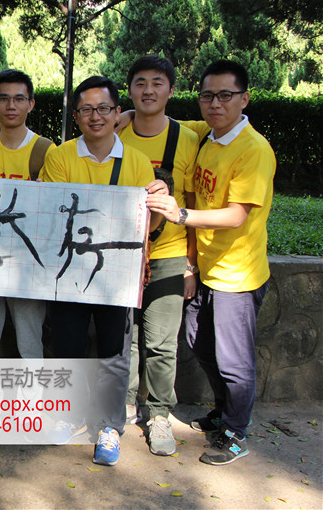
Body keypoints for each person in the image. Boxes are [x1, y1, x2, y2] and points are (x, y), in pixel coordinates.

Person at [146, 60, 276, 466]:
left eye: (226, 96)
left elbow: (237, 215)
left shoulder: (253, 149)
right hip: (206, 267)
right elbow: (162, 119)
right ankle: (223, 412)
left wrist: (180, 214)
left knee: (235, 362)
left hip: (238, 274)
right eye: (207, 95)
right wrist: (127, 115)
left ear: (244, 99)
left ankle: (236, 433)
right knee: (199, 342)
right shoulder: (208, 133)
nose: (215, 104)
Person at [40, 75, 167, 466]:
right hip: (68, 274)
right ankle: (69, 415)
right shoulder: (60, 157)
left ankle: (110, 427)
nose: (95, 116)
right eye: (86, 109)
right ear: (76, 115)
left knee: (114, 353)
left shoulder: (137, 162)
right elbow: (52, 212)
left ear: (117, 113)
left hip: (117, 278)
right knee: (68, 347)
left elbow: (148, 224)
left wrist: (159, 203)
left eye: (103, 108)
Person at [118, 56, 200, 456]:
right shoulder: (116, 132)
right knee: (125, 338)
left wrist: (191, 265)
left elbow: (195, 203)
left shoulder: (189, 138)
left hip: (169, 254)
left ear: (171, 89)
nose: (148, 90)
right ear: (129, 90)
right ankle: (124, 405)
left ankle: (159, 414)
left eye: (157, 82)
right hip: (122, 254)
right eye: (140, 83)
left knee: (162, 342)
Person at [0, 69, 55, 360]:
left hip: (28, 262)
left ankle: (33, 391)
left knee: (31, 343)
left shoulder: (46, 150)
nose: (11, 105)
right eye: (4, 98)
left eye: (19, 99)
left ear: (31, 104)